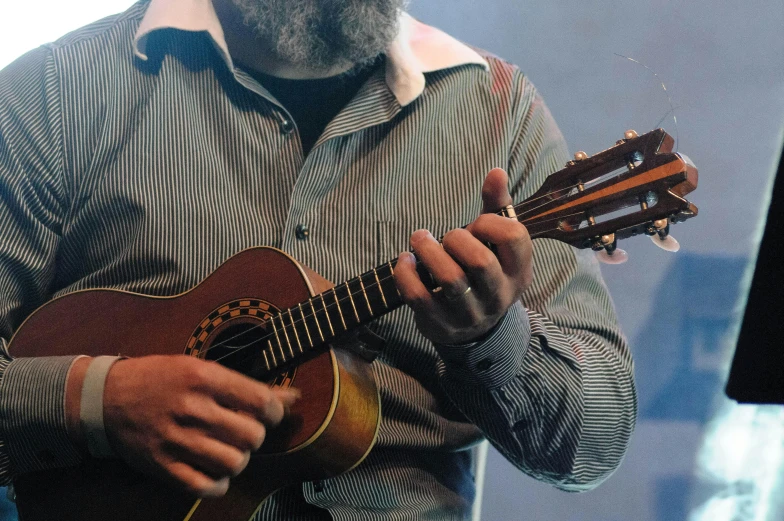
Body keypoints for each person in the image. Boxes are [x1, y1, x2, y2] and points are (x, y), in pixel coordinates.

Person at [0, 0, 637, 518]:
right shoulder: (59, 89)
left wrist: (492, 337)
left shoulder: (500, 112)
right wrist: (97, 403)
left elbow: (591, 447)